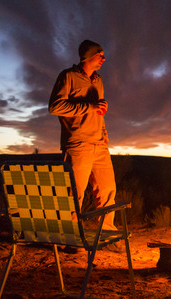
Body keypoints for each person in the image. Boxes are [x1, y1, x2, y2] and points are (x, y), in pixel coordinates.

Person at [49, 39, 119, 232]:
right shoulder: (68, 76)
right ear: (88, 56)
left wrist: (104, 134)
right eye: (100, 54)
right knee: (74, 194)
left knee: (107, 191)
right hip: (78, 144)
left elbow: (98, 112)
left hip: (100, 144)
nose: (104, 58)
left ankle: (106, 233)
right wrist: (90, 106)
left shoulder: (98, 80)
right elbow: (55, 107)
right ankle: (70, 237)